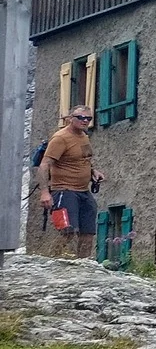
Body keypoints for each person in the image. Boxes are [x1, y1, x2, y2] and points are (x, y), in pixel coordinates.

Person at [36, 106, 103, 258]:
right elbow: (44, 165)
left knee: (88, 232)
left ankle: (83, 265)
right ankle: (53, 261)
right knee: (68, 231)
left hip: (83, 191)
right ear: (70, 118)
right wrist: (45, 193)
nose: (85, 121)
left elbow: (83, 159)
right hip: (64, 191)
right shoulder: (61, 138)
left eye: (88, 118)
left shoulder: (84, 136)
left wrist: (93, 172)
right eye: (80, 117)